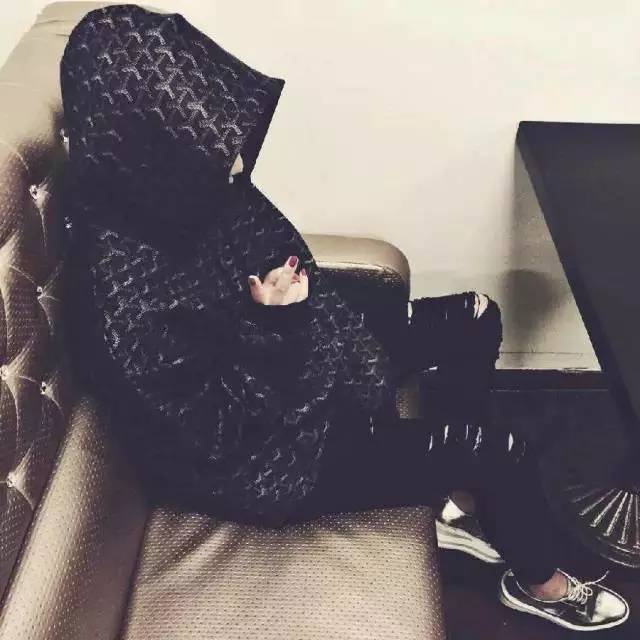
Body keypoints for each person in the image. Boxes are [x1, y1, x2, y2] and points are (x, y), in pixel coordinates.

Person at [60, 4, 629, 633]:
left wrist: (310, 314)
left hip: (304, 357)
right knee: (493, 451)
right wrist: (280, 326)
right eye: (214, 148)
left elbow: (268, 269)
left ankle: (452, 497)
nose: (236, 162)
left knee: (475, 317)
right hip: (273, 461)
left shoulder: (182, 188)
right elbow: (223, 436)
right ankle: (538, 586)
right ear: (147, 141)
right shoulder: (126, 302)